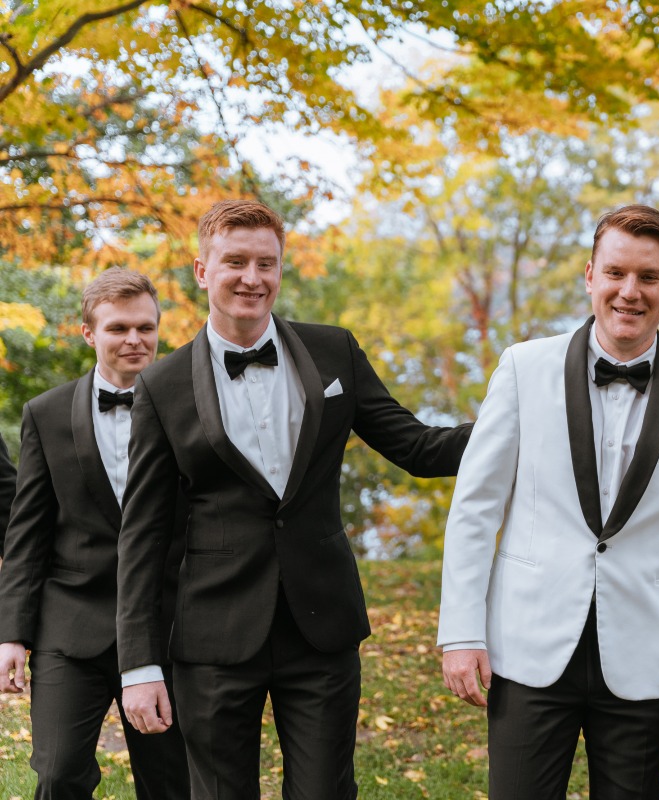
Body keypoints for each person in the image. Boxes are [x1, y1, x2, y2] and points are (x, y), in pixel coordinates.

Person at [116, 200, 472, 800]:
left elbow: (416, 447)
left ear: (281, 270)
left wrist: (517, 428)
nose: (252, 278)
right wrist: (139, 665)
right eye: (235, 262)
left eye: (267, 263)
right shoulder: (162, 384)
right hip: (213, 634)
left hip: (321, 626)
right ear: (202, 271)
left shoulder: (334, 352)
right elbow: (143, 535)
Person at [438, 204, 659, 799]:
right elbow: (475, 507)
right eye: (615, 273)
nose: (629, 292)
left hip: (646, 658)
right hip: (527, 647)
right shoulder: (522, 368)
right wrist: (460, 631)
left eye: (649, 277)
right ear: (590, 275)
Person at [0, 269, 189, 799]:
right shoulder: (47, 413)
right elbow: (27, 534)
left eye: (146, 328)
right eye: (118, 328)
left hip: (166, 626)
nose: (135, 340)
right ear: (89, 333)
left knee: (172, 783)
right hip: (71, 627)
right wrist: (12, 633)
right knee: (59, 774)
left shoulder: (191, 405)